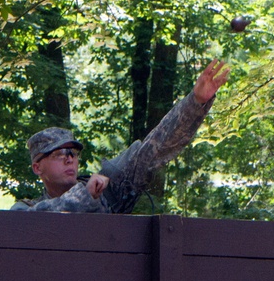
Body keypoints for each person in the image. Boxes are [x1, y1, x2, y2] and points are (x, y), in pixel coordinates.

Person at [12, 58, 230, 213]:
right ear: (37, 167)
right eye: (58, 153)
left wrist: (196, 102)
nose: (70, 158)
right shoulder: (27, 209)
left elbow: (152, 151)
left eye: (73, 152)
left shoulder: (108, 191)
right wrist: (84, 197)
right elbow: (26, 223)